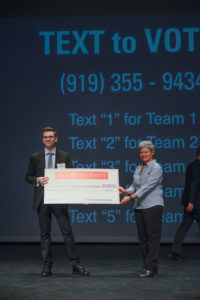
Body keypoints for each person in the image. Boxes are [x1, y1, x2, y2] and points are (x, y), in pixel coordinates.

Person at [25, 127, 89, 277]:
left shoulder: (64, 156)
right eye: (45, 137)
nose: (48, 139)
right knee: (44, 234)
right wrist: (37, 180)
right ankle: (47, 266)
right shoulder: (35, 157)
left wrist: (82, 195)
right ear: (42, 139)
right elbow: (28, 176)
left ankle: (75, 265)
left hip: (60, 199)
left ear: (56, 139)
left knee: (67, 233)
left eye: (51, 136)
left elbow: (73, 177)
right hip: (42, 200)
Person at [119, 140, 164, 278]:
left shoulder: (156, 168)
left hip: (153, 206)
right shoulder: (139, 168)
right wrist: (126, 191)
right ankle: (146, 266)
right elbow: (135, 185)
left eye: (146, 152)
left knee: (152, 238)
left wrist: (131, 197)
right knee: (143, 239)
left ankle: (152, 267)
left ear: (152, 153)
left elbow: (146, 188)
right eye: (141, 152)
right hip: (139, 206)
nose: (143, 154)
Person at [169, 147, 200, 261]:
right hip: (195, 204)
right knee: (184, 227)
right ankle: (174, 251)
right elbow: (194, 184)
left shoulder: (191, 165)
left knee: (184, 227)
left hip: (190, 203)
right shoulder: (197, 166)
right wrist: (191, 202)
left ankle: (174, 251)